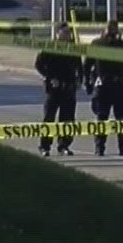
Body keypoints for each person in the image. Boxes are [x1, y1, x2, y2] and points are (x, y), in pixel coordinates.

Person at [83, 19, 123, 156]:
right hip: (107, 86)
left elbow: (86, 66)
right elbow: (87, 65)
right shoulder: (100, 44)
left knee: (116, 118)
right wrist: (88, 83)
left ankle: (111, 147)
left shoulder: (113, 44)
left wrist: (88, 83)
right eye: (112, 28)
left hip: (114, 86)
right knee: (107, 118)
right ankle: (104, 147)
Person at [34, 23, 83, 156]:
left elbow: (79, 66)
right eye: (65, 32)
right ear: (57, 34)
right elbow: (38, 65)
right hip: (54, 88)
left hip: (69, 87)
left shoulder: (72, 48)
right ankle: (45, 146)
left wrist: (80, 80)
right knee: (49, 118)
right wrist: (49, 78)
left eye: (69, 32)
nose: (67, 35)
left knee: (67, 119)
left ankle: (64, 145)